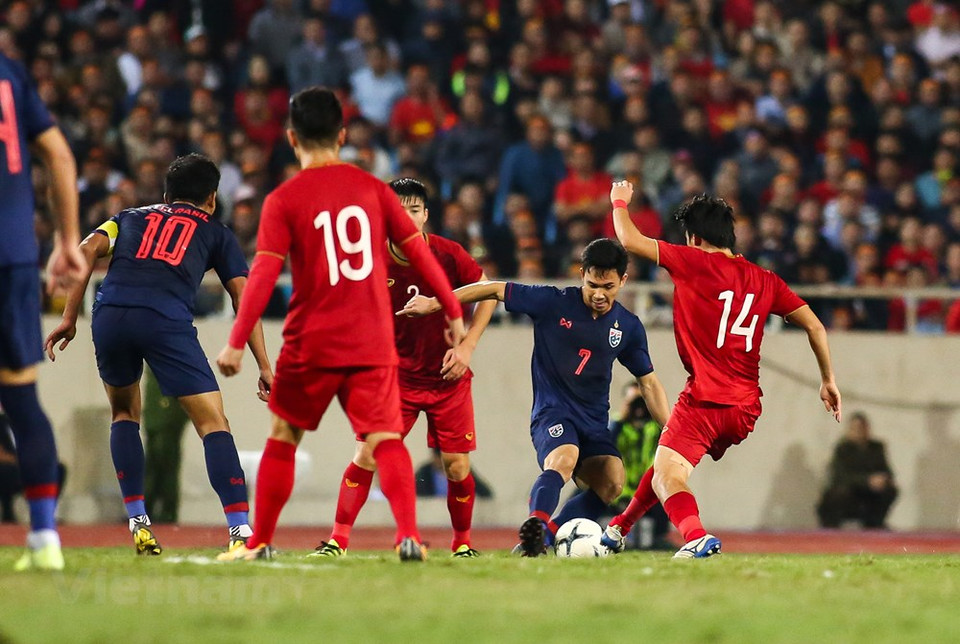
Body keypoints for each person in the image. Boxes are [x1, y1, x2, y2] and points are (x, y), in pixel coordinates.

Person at [215, 87, 465, 563]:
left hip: (312, 341)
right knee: (385, 439)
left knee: (284, 437)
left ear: (291, 138)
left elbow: (263, 274)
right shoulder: (373, 189)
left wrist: (233, 342)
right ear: (343, 134)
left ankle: (260, 542)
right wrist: (451, 309)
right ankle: (408, 535)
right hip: (371, 340)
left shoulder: (284, 199)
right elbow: (418, 250)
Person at [45, 153, 273, 555]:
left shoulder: (130, 216)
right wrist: (264, 364)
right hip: (164, 319)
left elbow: (87, 248)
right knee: (213, 423)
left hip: (110, 314)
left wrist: (68, 316)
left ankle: (138, 521)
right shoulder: (217, 232)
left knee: (124, 414)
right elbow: (244, 297)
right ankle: (241, 531)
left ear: (167, 193)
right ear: (212, 198)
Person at [603, 183, 842, 558]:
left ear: (694, 238)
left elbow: (628, 238)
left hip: (706, 399)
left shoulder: (692, 261)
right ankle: (618, 529)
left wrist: (619, 200)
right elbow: (815, 326)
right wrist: (827, 380)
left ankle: (696, 537)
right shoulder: (767, 280)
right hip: (745, 408)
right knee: (669, 460)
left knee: (669, 474)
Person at [398, 238, 672, 557]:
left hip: (594, 421)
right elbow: (495, 289)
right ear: (581, 274)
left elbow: (648, 382)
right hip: (552, 413)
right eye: (592, 284)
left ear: (623, 281)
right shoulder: (553, 302)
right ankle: (537, 524)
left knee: (612, 483)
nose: (599, 294)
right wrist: (437, 303)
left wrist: (671, 431)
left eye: (608, 286)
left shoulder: (627, 326)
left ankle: (547, 533)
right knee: (564, 459)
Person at [311, 178, 496, 559]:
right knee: (366, 454)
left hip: (449, 378)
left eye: (414, 210)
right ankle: (337, 541)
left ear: (426, 215)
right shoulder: (368, 259)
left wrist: (468, 346)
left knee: (457, 467)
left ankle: (462, 544)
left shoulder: (448, 254)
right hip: (395, 378)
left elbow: (489, 290)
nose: (406, 217)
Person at [1, 51, 86, 571]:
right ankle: (46, 538)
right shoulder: (11, 70)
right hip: (12, 260)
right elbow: (58, 153)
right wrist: (67, 238)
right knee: (23, 398)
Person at [609, 384, 671, 550]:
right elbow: (605, 443)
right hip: (619, 489)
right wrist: (623, 416)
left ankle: (659, 538)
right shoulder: (618, 424)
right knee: (585, 492)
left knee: (668, 488)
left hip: (646, 487)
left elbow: (670, 435)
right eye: (634, 401)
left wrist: (655, 409)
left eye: (642, 400)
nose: (638, 406)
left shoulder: (653, 427)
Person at [817, 412, 897, 529]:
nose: (859, 432)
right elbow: (841, 476)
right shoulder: (843, 449)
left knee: (889, 490)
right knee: (839, 494)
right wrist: (867, 481)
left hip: (868, 494)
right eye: (855, 428)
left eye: (862, 428)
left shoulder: (876, 448)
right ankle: (833, 525)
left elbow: (886, 471)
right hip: (850, 492)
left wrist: (882, 480)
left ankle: (874, 523)